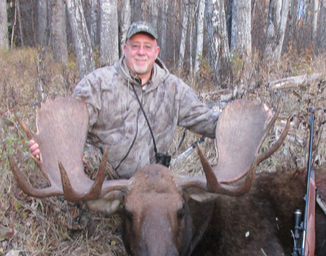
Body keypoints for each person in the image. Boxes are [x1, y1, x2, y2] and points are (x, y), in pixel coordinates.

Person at [29, 21, 221, 230]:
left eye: (147, 47)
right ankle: (79, 230)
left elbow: (205, 119)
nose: (141, 52)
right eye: (135, 46)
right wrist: (49, 146)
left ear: (156, 52)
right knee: (78, 157)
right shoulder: (99, 83)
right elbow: (72, 125)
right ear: (125, 49)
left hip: (149, 182)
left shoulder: (174, 88)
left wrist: (238, 126)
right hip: (107, 178)